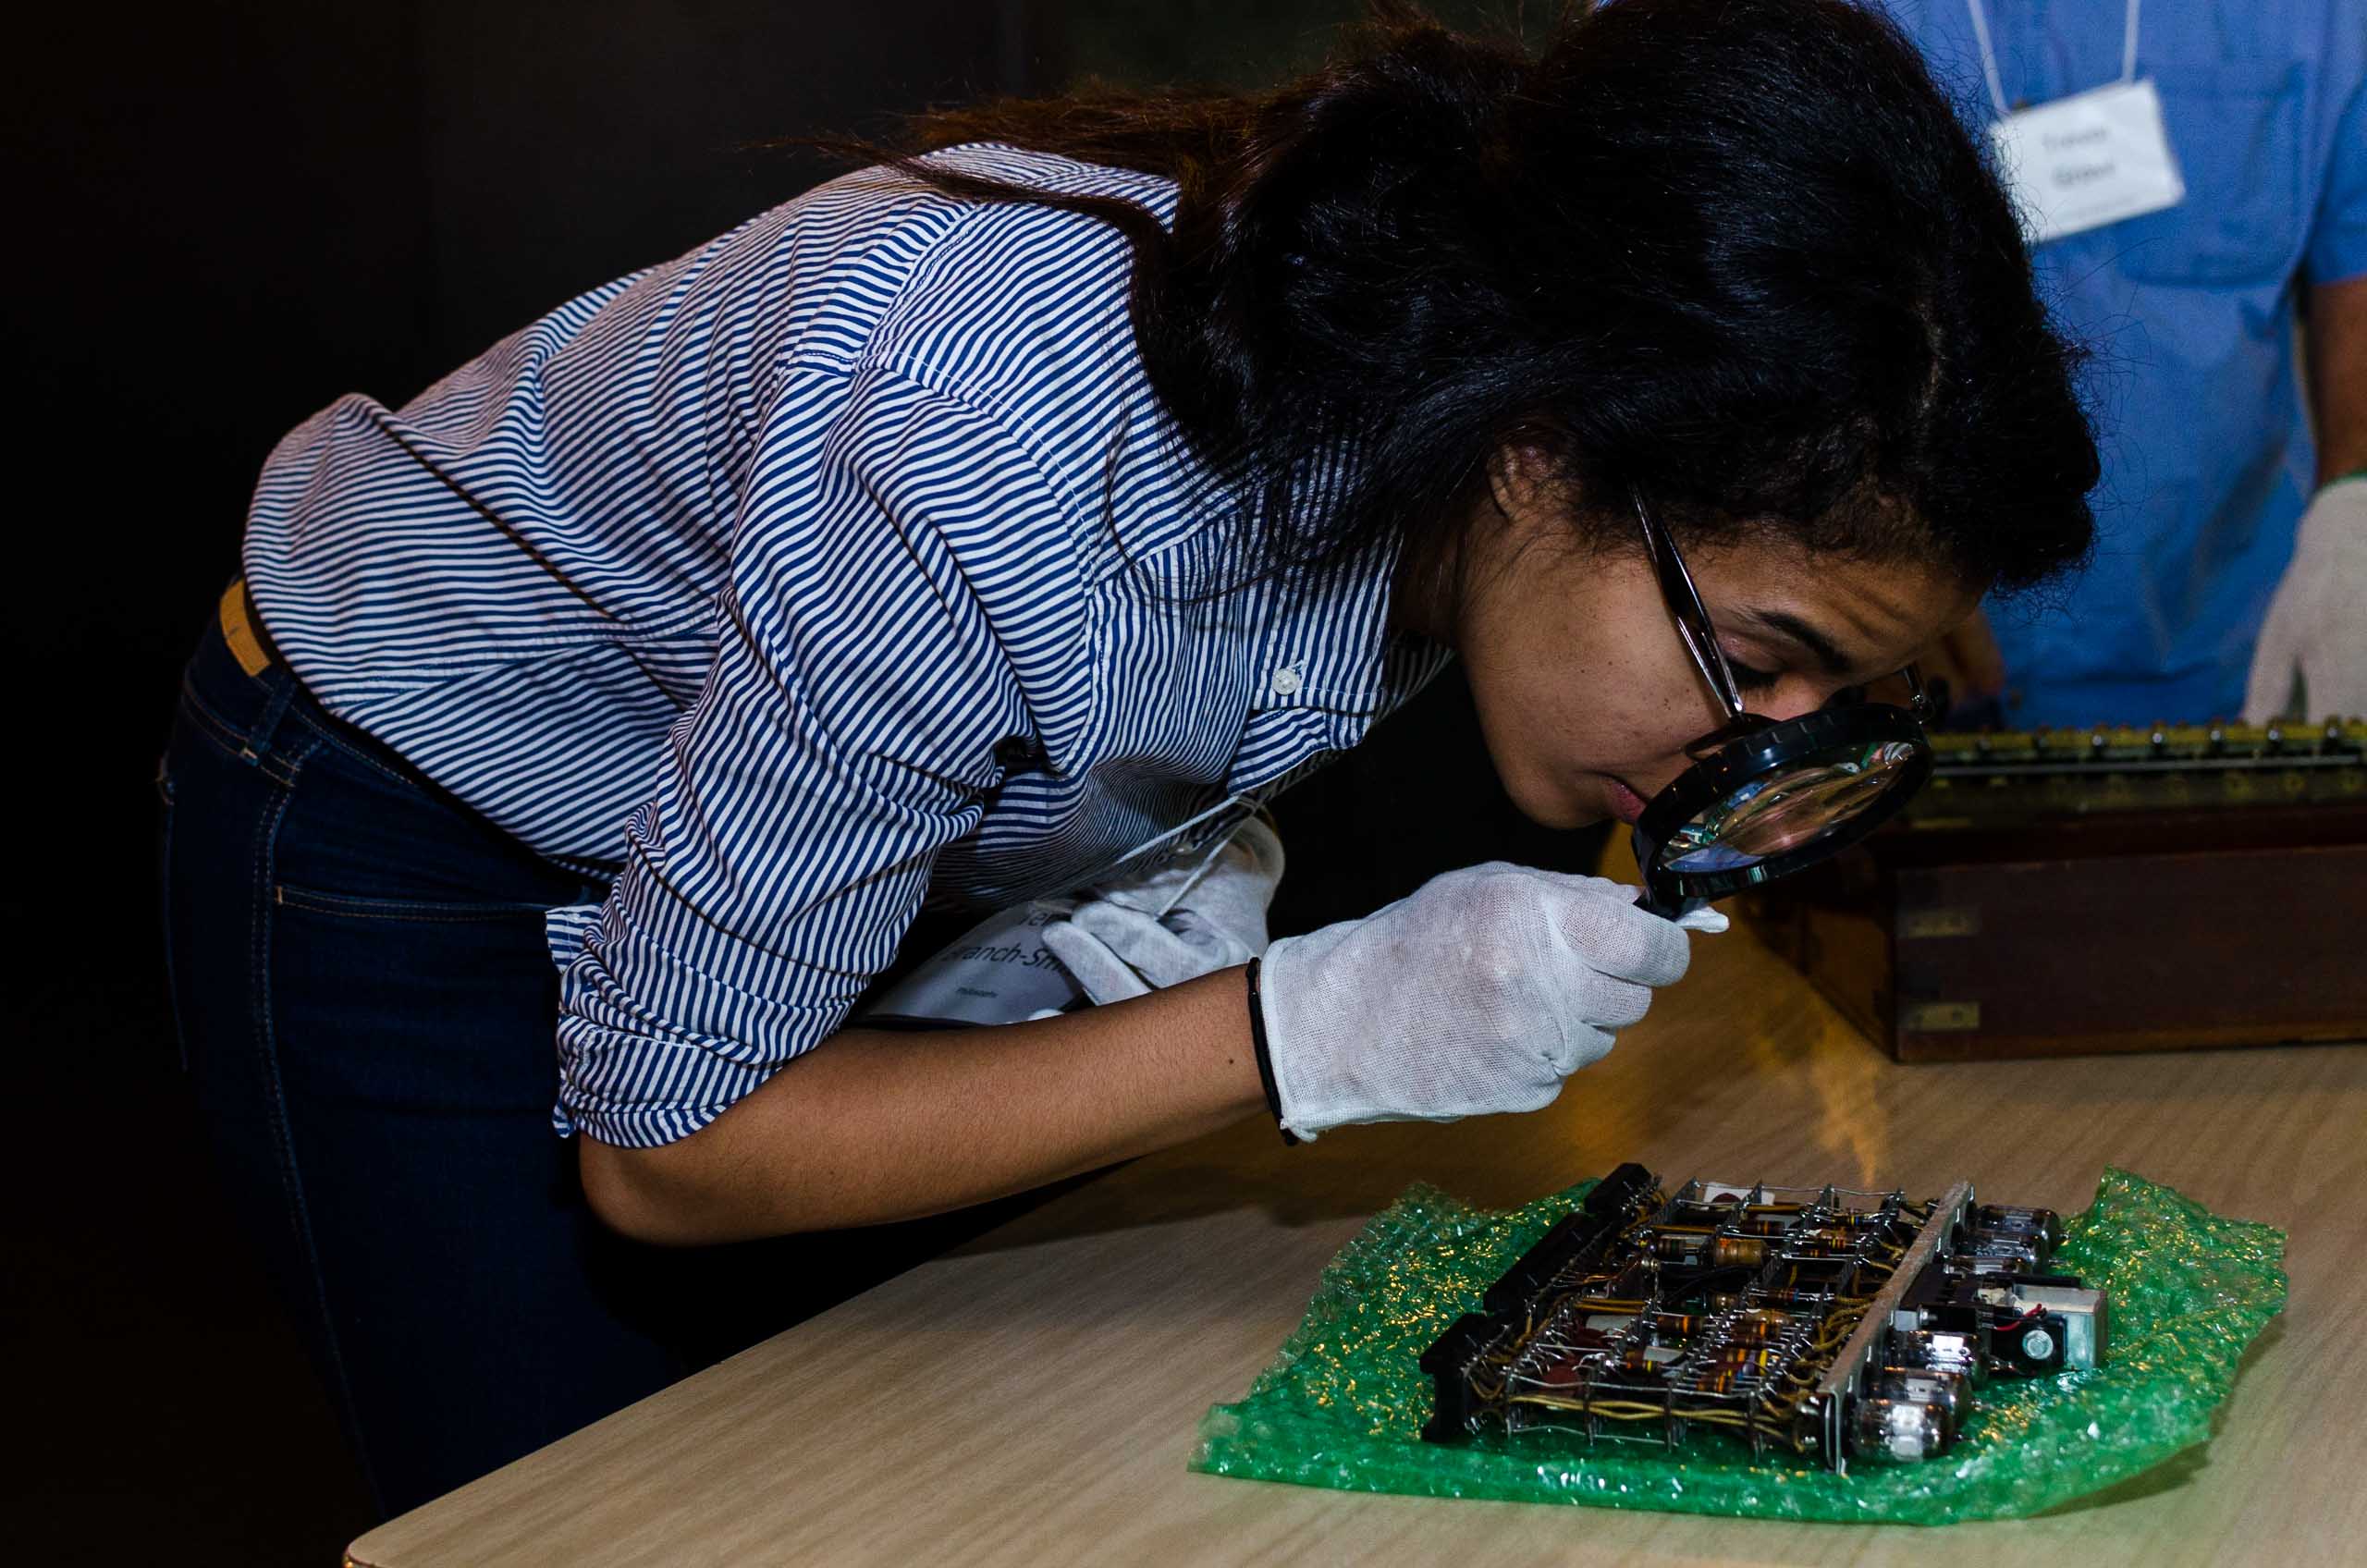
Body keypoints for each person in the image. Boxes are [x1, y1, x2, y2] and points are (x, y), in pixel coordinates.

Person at [157, 0, 2098, 1517]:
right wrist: (1288, 1029)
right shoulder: (994, 458)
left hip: (724, 800)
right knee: (580, 1502)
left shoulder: (1439, 410)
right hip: (405, 792)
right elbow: (670, 1149)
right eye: (1754, 657)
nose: (1740, 749)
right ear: (1542, 446)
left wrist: (1092, 875)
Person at [1870, 0, 2367, 727]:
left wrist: (2354, 502)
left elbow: (2356, 246)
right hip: (1869, 665)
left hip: (2232, 639)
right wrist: (1833, 542)